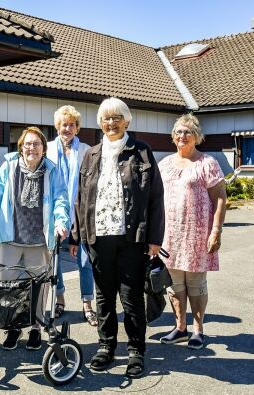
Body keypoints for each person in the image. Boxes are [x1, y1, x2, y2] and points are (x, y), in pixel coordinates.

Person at [71, 97, 164, 378]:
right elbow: (80, 197)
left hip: (132, 236)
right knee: (104, 295)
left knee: (132, 296)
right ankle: (106, 346)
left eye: (116, 118)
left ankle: (136, 350)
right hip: (98, 236)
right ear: (100, 123)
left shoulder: (142, 152)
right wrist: (76, 236)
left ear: (127, 121)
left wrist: (155, 237)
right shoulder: (91, 154)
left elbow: (156, 198)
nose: (111, 123)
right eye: (106, 118)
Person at [0, 126, 70, 351]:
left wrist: (62, 223)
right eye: (27, 144)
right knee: (8, 286)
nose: (31, 148)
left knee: (39, 287)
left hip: (39, 240)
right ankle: (13, 327)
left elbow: (61, 200)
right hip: (11, 238)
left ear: (44, 148)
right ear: (20, 147)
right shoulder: (9, 166)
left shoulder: (51, 171)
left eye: (36, 144)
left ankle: (35, 327)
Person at [158, 113, 227, 350]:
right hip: (169, 236)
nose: (182, 135)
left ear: (196, 136)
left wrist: (215, 230)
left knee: (196, 285)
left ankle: (198, 329)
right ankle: (180, 327)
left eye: (187, 131)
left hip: (197, 234)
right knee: (174, 285)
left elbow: (220, 198)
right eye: (178, 131)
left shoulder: (207, 163)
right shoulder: (165, 164)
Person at [46, 105, 97, 326]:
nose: (67, 128)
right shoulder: (46, 149)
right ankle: (59, 298)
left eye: (71, 125)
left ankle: (87, 303)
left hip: (81, 214)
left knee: (85, 261)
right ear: (57, 126)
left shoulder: (86, 150)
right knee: (54, 259)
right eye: (63, 124)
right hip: (54, 214)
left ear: (77, 128)